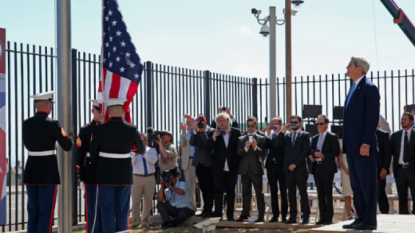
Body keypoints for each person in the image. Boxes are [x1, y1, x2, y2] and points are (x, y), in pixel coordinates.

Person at [89, 99, 145, 233]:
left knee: (107, 211)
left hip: (105, 174)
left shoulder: (100, 129)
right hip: (124, 174)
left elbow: (92, 154)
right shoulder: (132, 129)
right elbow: (141, 149)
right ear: (123, 111)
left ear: (108, 111)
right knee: (122, 210)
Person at [22, 91, 72, 233]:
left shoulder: (26, 123)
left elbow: (27, 144)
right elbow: (67, 146)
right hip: (47, 171)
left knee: (33, 211)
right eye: (50, 104)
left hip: (31, 169)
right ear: (47, 104)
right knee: (46, 212)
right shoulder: (53, 124)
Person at [342, 56, 380, 230]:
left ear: (359, 69)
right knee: (356, 184)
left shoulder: (369, 88)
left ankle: (370, 219)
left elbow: (372, 118)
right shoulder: (353, 88)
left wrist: (366, 143)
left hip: (363, 146)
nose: (346, 67)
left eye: (350, 65)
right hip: (351, 146)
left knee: (367, 183)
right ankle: (361, 217)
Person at [274, 115, 310, 224]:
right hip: (288, 169)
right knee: (291, 193)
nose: (293, 123)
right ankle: (293, 216)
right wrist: (282, 131)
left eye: (295, 122)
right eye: (291, 122)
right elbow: (276, 144)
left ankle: (305, 216)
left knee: (303, 193)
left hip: (300, 169)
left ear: (300, 123)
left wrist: (295, 164)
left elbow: (305, 151)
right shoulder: (286, 135)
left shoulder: (305, 135)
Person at [206, 112, 241, 220]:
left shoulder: (236, 132)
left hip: (232, 166)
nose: (221, 123)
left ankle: (230, 215)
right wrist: (214, 138)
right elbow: (208, 146)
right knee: (218, 191)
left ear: (228, 121)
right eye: (219, 121)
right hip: (218, 167)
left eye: (223, 120)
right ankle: (218, 215)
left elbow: (239, 148)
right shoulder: (213, 132)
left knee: (231, 191)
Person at [75, 100, 103, 233]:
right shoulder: (85, 130)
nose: (101, 113)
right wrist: (81, 177)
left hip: (106, 173)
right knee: (92, 208)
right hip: (91, 173)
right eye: (99, 110)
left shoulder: (108, 128)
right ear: (93, 111)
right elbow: (80, 155)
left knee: (106, 208)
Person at [308, 115, 340, 225]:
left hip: (327, 168)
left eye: (321, 123)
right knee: (320, 194)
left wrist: (323, 155)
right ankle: (322, 216)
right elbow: (311, 151)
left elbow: (336, 152)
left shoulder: (332, 137)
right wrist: (312, 157)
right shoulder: (314, 138)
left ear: (326, 124)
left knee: (328, 193)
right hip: (317, 167)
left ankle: (329, 217)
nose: (318, 125)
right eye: (317, 123)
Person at [236, 116, 266, 222]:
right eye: (248, 126)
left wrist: (255, 147)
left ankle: (261, 216)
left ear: (255, 126)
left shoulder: (261, 138)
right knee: (245, 193)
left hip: (256, 169)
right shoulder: (241, 138)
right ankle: (244, 215)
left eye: (252, 126)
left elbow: (263, 153)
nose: (250, 128)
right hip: (245, 169)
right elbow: (238, 153)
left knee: (259, 193)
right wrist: (246, 148)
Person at [188, 115, 215, 218]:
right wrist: (195, 132)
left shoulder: (211, 131)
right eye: (198, 123)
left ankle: (209, 210)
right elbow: (191, 143)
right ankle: (205, 210)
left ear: (205, 123)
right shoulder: (196, 131)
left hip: (208, 163)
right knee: (203, 188)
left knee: (209, 188)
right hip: (198, 164)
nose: (200, 125)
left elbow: (208, 144)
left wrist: (202, 132)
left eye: (201, 123)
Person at [390, 112, 415, 215]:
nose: (402, 121)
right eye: (402, 119)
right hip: (399, 170)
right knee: (401, 195)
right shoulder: (395, 136)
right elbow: (390, 152)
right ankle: (403, 215)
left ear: (411, 121)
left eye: (405, 119)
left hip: (412, 169)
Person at [131, 133, 158, 228]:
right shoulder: (133, 152)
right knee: (136, 201)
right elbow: (131, 164)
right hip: (137, 178)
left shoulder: (152, 150)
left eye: (144, 140)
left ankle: (145, 222)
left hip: (150, 178)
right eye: (141, 140)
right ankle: (134, 222)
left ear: (147, 141)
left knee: (148, 201)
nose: (143, 142)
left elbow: (154, 160)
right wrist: (135, 155)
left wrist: (144, 154)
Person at [264, 117, 288, 222]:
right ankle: (275, 215)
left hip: (281, 166)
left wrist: (280, 131)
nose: (273, 126)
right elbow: (266, 146)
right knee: (273, 192)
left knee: (283, 192)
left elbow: (278, 144)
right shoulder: (270, 136)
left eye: (275, 124)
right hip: (271, 166)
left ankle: (284, 215)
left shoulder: (285, 135)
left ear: (280, 124)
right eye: (272, 124)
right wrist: (268, 133)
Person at [179, 117, 197, 212]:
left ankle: (206, 209)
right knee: (190, 187)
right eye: (187, 122)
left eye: (191, 122)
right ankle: (193, 208)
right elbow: (182, 145)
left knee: (203, 186)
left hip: (200, 161)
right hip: (188, 162)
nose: (189, 123)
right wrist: (183, 131)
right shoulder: (184, 134)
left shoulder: (199, 131)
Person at [337, 127, 354, 220]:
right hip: (345, 170)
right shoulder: (339, 142)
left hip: (355, 170)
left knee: (356, 193)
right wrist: (345, 169)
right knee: (347, 194)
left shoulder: (354, 140)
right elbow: (339, 158)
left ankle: (358, 214)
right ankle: (349, 215)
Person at [375, 122, 391, 214]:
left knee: (380, 193)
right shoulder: (363, 135)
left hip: (380, 170)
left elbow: (387, 154)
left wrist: (385, 168)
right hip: (367, 171)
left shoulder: (383, 135)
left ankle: (385, 213)